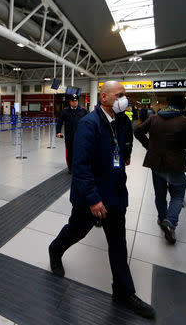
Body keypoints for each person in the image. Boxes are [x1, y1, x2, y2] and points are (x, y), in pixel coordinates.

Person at [48, 81, 154, 319]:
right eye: (119, 96)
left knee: (118, 243)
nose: (124, 100)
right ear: (104, 98)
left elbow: (126, 142)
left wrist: (124, 154)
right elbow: (80, 165)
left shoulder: (122, 121)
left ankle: (124, 292)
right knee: (76, 231)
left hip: (115, 194)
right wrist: (94, 199)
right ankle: (55, 249)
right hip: (91, 197)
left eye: (124, 96)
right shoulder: (89, 124)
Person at [134, 94, 186, 244]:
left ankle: (162, 219)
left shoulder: (155, 118)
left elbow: (138, 131)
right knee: (178, 195)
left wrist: (149, 146)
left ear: (169, 103)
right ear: (182, 106)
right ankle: (170, 222)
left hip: (155, 163)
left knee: (160, 194)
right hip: (175, 164)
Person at [55, 93, 88, 174]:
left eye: (76, 101)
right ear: (70, 102)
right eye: (73, 101)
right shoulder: (65, 111)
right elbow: (59, 122)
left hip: (80, 136)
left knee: (80, 152)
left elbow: (89, 121)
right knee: (69, 153)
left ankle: (79, 167)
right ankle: (71, 168)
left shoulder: (83, 111)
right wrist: (58, 131)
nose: (75, 102)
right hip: (69, 136)